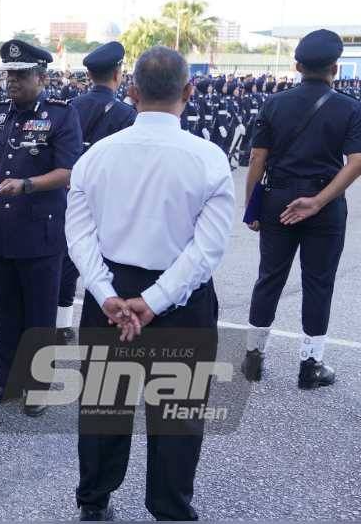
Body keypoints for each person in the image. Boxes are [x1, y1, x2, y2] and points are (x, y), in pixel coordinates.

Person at [66, 45, 234, 521]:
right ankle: (170, 508)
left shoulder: (96, 156)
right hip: (180, 300)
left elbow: (78, 237)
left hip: (111, 294)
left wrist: (107, 296)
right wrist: (155, 302)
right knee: (178, 413)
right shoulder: (208, 159)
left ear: (132, 91)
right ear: (189, 91)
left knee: (104, 407)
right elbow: (207, 250)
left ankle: (93, 503)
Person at [0, 39, 83, 413]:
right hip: (3, 231)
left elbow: (68, 172)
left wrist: (27, 184)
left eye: (21, 74)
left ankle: (38, 388)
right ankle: (6, 381)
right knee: (7, 311)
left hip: (41, 233)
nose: (12, 81)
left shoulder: (62, 115)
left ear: (41, 77)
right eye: (8, 74)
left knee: (39, 315)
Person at [242, 29, 361, 389]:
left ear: (296, 66)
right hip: (323, 205)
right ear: (335, 69)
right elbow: (355, 162)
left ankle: (253, 359)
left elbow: (257, 159)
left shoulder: (273, 104)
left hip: (278, 198)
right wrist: (319, 201)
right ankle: (311, 366)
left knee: (269, 278)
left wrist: (252, 208)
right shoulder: (349, 107)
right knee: (318, 283)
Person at [57, 42, 136, 342]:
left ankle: (61, 322)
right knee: (102, 261)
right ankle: (101, 319)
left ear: (88, 74)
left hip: (71, 192)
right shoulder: (127, 113)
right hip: (108, 199)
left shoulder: (71, 107)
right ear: (117, 74)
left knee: (67, 258)